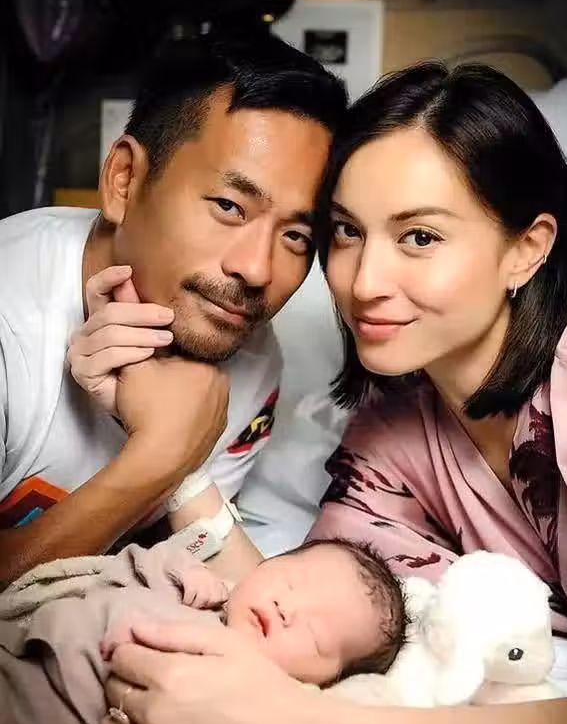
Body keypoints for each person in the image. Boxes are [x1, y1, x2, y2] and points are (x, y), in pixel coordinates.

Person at [96, 60, 567, 724]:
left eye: (420, 237)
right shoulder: (397, 427)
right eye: (347, 232)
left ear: (526, 248)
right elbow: (326, 614)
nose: (363, 282)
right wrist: (173, 463)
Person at [0, 29, 347, 585]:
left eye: (297, 236)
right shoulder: (10, 317)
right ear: (124, 181)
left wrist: (181, 473)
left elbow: (181, 571)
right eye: (229, 206)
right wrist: (161, 455)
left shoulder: (250, 354)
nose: (257, 270)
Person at [0, 528, 406, 724]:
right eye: (291, 581)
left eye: (315, 637)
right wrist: (180, 571)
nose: (288, 609)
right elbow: (132, 566)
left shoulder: (255, 696)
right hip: (29, 654)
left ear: (324, 682)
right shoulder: (205, 592)